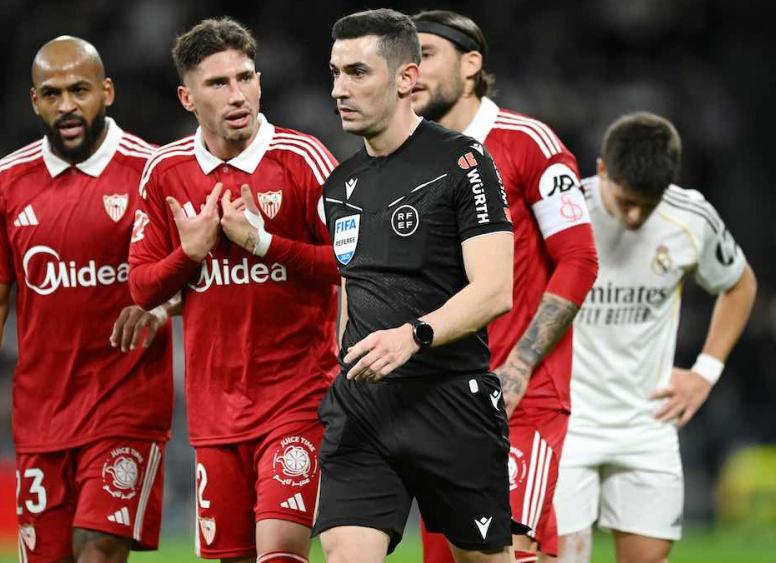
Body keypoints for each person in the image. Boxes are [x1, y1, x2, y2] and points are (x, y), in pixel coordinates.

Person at [0, 36, 176, 563]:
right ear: (34, 101)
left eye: (80, 90)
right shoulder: (7, 182)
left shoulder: (153, 171)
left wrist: (158, 305)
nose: (67, 105)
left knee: (97, 552)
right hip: (42, 417)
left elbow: (194, 276)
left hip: (125, 407)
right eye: (52, 94)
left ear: (107, 92)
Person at [127, 17, 340, 563]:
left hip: (299, 398)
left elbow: (351, 263)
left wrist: (266, 244)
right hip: (215, 412)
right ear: (187, 97)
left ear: (261, 82)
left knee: (281, 551)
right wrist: (190, 253)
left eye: (245, 78)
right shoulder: (164, 172)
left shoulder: (303, 159)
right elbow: (143, 287)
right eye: (218, 84)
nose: (237, 94)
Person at [317, 9, 518, 563]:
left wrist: (414, 335)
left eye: (357, 72)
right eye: (334, 73)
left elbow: (495, 289)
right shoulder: (340, 183)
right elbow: (348, 286)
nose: (339, 89)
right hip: (363, 408)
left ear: (406, 78)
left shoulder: (463, 161)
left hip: (449, 402)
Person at [410, 10, 600, 563]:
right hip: (438, 400)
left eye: (426, 55)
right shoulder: (407, 156)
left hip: (522, 396)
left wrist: (519, 364)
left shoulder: (527, 142)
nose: (411, 71)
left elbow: (580, 259)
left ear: (471, 65)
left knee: (499, 548)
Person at [552, 112, 756, 563]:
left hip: (648, 423)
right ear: (602, 169)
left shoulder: (691, 217)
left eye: (648, 203)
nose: (635, 215)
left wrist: (705, 372)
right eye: (625, 201)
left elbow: (740, 285)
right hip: (567, 421)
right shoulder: (562, 214)